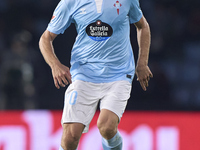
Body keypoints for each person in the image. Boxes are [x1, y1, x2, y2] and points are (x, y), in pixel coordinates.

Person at [39, 0, 153, 149]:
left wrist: (142, 63)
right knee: (70, 137)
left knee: (106, 126)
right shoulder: (70, 2)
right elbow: (45, 38)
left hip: (118, 74)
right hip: (83, 74)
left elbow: (143, 26)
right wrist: (55, 65)